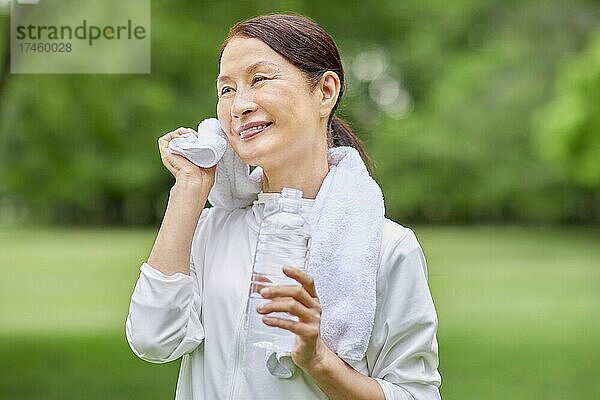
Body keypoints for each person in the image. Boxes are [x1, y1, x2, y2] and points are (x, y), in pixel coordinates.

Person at [126, 13, 441, 400]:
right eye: (226, 90)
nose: (239, 105)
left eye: (259, 79)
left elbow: (416, 394)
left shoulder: (387, 248)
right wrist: (190, 187)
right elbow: (153, 340)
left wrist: (319, 359)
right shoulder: (209, 229)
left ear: (325, 91)